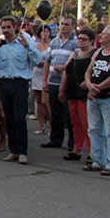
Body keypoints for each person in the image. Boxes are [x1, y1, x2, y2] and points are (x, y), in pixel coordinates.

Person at [0, 15, 42, 164]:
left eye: (8, 27)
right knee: (8, 118)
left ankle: (22, 151)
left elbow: (38, 59)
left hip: (20, 83)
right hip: (4, 82)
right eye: (3, 28)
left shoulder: (24, 42)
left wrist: (27, 46)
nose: (6, 30)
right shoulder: (0, 44)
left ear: (15, 27)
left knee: (19, 118)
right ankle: (13, 150)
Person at [84, 25, 110, 177]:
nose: (100, 36)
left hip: (109, 96)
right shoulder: (98, 52)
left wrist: (99, 87)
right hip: (94, 97)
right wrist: (89, 85)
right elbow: (89, 71)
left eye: (104, 34)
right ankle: (97, 159)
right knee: (94, 129)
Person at [59, 27, 95, 163]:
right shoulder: (74, 54)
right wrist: (62, 89)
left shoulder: (94, 54)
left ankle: (93, 152)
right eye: (79, 38)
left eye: (84, 39)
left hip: (84, 92)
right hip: (72, 90)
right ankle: (77, 148)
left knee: (86, 123)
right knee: (75, 122)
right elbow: (66, 71)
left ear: (91, 41)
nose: (80, 41)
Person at [43, 16, 77, 152]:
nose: (63, 27)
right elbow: (47, 61)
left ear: (73, 27)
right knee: (55, 112)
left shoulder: (75, 43)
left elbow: (75, 61)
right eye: (62, 24)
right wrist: (45, 80)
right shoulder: (54, 42)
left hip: (68, 83)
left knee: (68, 114)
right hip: (53, 81)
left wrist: (64, 68)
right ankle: (55, 139)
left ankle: (72, 142)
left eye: (67, 25)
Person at [31, 24, 52, 134]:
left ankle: (51, 125)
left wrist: (44, 63)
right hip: (36, 73)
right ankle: (41, 124)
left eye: (48, 32)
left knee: (45, 101)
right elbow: (32, 57)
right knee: (38, 100)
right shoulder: (36, 45)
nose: (46, 34)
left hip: (46, 74)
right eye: (44, 31)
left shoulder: (52, 45)